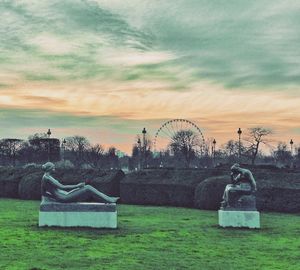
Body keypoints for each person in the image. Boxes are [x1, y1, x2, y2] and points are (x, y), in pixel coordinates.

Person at [41, 162, 119, 203]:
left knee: (87, 188)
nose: (55, 168)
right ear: (50, 168)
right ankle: (108, 200)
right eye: (53, 167)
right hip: (64, 197)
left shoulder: (46, 177)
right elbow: (62, 187)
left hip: (64, 195)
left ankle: (108, 199)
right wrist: (77, 186)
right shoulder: (48, 178)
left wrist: (53, 197)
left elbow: (44, 193)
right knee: (88, 188)